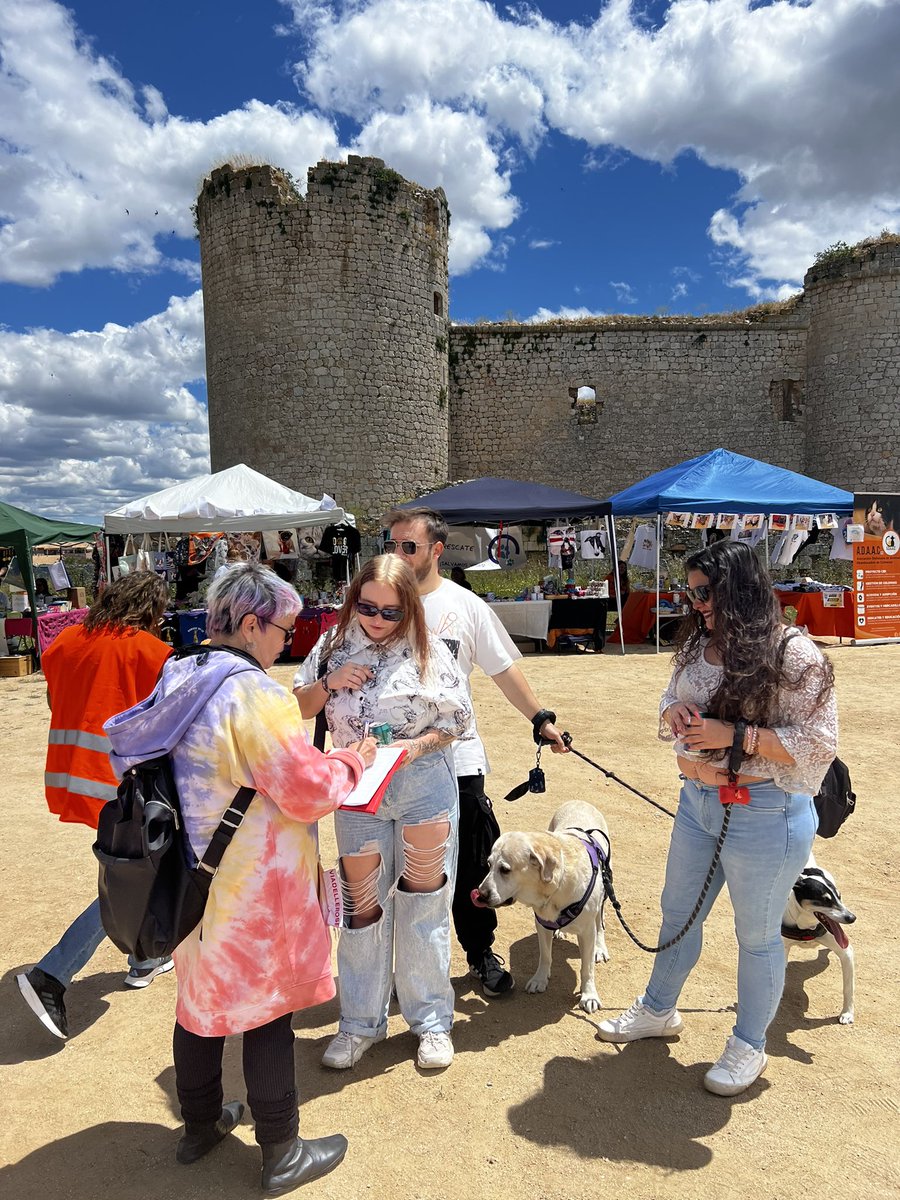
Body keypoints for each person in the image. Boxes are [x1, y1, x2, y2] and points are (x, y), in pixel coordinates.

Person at [104, 563, 375, 1191]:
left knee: (198, 1003)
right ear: (251, 625)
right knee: (267, 1010)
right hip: (257, 888)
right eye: (283, 629)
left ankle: (200, 1123)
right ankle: (282, 1148)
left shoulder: (183, 674)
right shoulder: (251, 694)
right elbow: (306, 791)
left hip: (191, 880)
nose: (289, 641)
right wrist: (351, 760)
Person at [597, 540, 837, 1096]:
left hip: (765, 811)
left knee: (756, 936)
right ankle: (658, 1010)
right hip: (697, 804)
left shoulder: (792, 653)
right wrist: (673, 710)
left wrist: (737, 737)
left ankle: (749, 1045)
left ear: (740, 589)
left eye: (706, 592)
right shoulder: (697, 643)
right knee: (678, 913)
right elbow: (668, 695)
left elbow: (820, 743)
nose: (696, 602)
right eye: (692, 591)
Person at [294, 556, 473, 1070]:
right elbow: (299, 707)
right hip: (355, 792)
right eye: (367, 607)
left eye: (391, 612)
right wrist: (331, 681)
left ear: (409, 608)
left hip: (421, 787)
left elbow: (456, 722)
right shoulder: (332, 644)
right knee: (362, 909)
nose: (376, 619)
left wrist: (412, 750)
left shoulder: (430, 649)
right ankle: (359, 1024)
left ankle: (432, 1022)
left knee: (424, 905)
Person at [383, 506, 568, 998]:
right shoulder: (375, 603)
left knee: (469, 863)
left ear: (436, 551)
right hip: (388, 763)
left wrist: (539, 719)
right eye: (391, 544)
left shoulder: (465, 607)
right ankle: (403, 970)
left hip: (456, 759)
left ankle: (479, 951)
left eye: (409, 546)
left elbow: (503, 669)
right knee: (401, 869)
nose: (397, 555)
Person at [16, 573, 174, 1042]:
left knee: (131, 867)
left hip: (72, 773)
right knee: (131, 878)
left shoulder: (65, 641)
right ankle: (52, 974)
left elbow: (54, 699)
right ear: (151, 609)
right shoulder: (150, 651)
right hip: (121, 784)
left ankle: (144, 958)